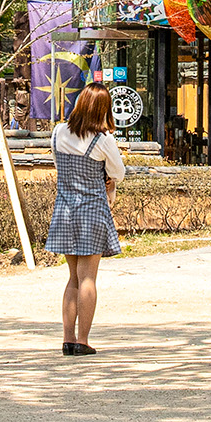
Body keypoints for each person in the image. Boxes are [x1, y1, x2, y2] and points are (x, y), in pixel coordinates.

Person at [45, 80, 125, 355]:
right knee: (88, 278)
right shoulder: (103, 140)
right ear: (103, 109)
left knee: (72, 278)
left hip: (65, 210)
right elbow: (119, 172)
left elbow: (58, 165)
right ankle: (83, 340)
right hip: (91, 211)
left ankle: (67, 339)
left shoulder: (58, 133)